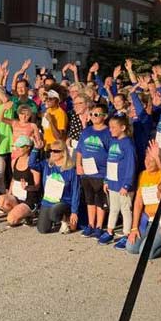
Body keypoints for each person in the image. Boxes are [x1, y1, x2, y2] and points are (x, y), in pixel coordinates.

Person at [122, 140, 161, 254]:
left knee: (146, 252)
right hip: (147, 220)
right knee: (131, 248)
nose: (147, 163)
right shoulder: (142, 175)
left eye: (151, 160)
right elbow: (138, 203)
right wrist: (134, 228)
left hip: (160, 223)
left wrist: (158, 158)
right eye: (146, 159)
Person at [98, 115, 136, 246]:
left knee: (125, 209)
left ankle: (126, 234)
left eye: (114, 127)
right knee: (113, 208)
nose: (111, 130)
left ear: (123, 127)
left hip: (123, 185)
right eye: (110, 127)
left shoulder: (128, 144)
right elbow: (110, 162)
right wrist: (106, 180)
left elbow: (131, 165)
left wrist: (127, 184)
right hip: (113, 182)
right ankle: (109, 231)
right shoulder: (114, 142)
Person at [76, 103, 112, 239]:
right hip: (86, 171)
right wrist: (78, 165)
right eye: (92, 114)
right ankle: (91, 224)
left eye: (97, 114)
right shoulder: (86, 131)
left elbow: (110, 153)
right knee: (89, 199)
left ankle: (99, 226)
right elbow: (79, 150)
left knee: (100, 200)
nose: (94, 117)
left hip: (101, 172)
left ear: (105, 116)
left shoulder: (108, 132)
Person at [30, 138, 80, 234]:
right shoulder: (47, 165)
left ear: (63, 153)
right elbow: (32, 164)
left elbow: (75, 192)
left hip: (64, 202)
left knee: (54, 213)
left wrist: (74, 211)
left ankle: (65, 218)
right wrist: (35, 149)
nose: (52, 153)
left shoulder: (71, 170)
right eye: (51, 150)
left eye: (56, 151)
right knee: (42, 230)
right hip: (48, 201)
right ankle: (56, 219)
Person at [0, 136, 42, 227]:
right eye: (15, 146)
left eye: (20, 147)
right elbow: (13, 179)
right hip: (16, 197)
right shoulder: (15, 161)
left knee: (11, 220)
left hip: (29, 198)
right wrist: (9, 194)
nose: (16, 149)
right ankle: (22, 214)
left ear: (28, 148)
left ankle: (30, 214)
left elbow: (37, 186)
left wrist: (27, 187)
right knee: (1, 200)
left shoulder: (33, 163)